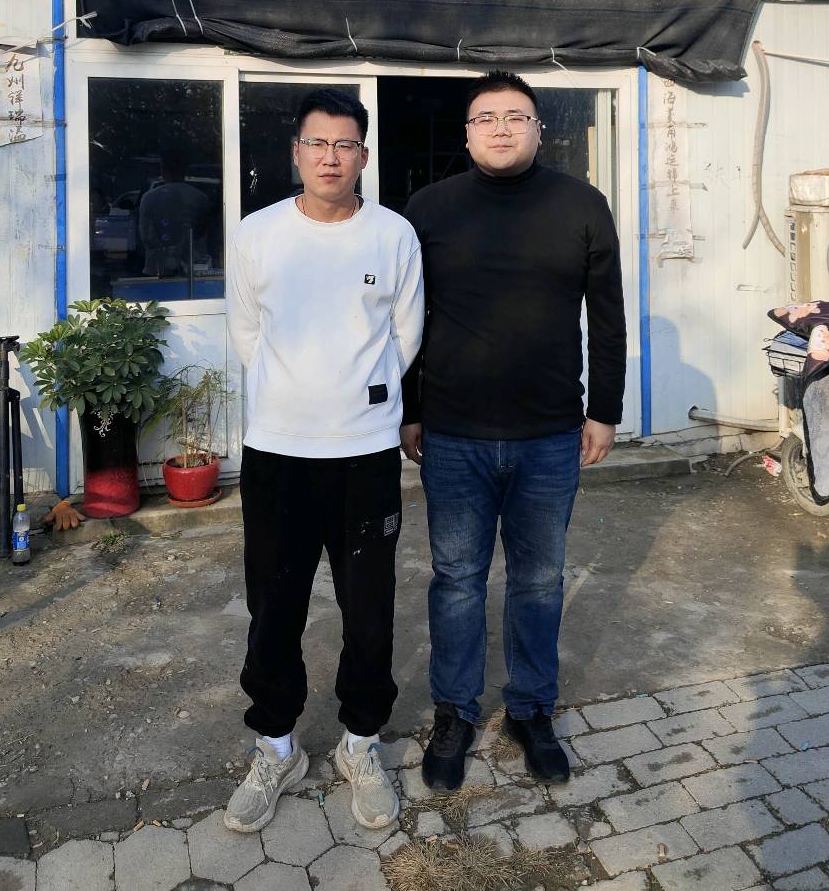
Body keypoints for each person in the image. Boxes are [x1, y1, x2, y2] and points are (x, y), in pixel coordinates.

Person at [402, 70, 626, 789]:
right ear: (467, 134)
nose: (501, 128)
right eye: (486, 118)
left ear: (538, 128)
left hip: (549, 434)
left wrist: (605, 410)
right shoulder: (429, 209)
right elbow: (404, 322)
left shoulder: (581, 205)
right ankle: (455, 712)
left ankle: (530, 709)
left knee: (538, 579)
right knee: (457, 580)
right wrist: (409, 409)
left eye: (515, 116)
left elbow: (608, 317)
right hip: (454, 433)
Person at [225, 88, 424, 835]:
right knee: (274, 607)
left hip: (364, 454)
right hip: (278, 452)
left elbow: (405, 336)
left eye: (345, 144)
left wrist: (357, 399)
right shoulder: (258, 234)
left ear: (363, 156)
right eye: (318, 143)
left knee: (368, 610)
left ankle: (360, 743)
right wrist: (293, 396)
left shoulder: (393, 235)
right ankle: (276, 747)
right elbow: (247, 333)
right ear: (297, 153)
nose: (331, 157)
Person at [138, 151, 210, 277]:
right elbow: (204, 234)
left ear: (162, 170)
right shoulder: (200, 197)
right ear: (185, 170)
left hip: (157, 269)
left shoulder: (149, 198)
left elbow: (146, 236)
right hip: (193, 268)